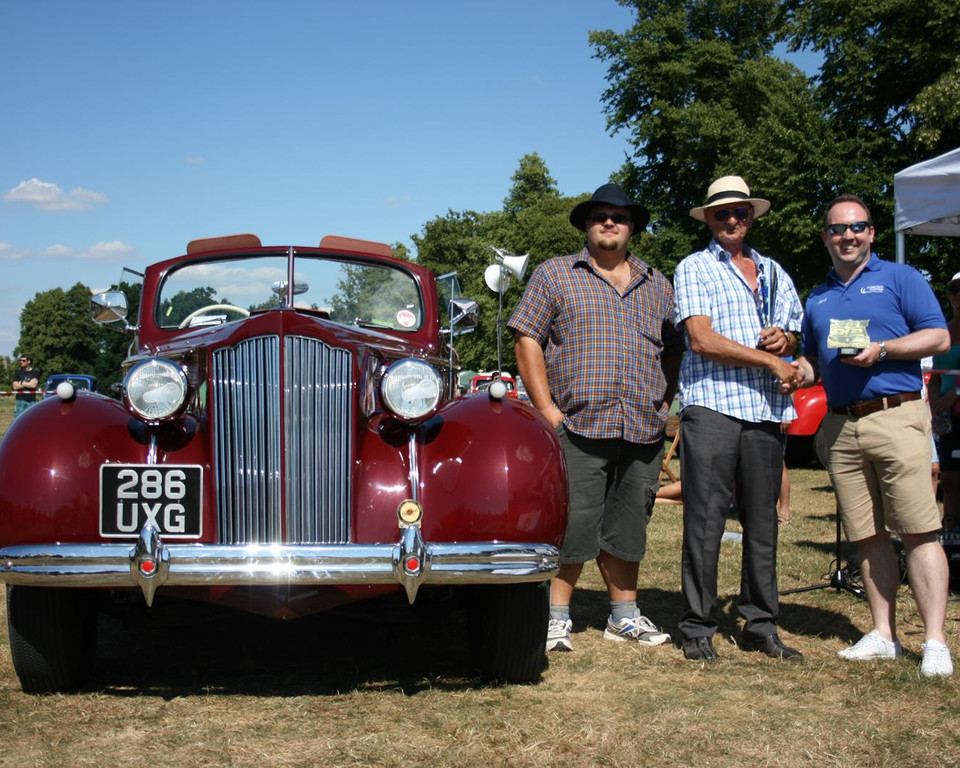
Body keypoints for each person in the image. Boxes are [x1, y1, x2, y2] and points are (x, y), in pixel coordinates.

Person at [509, 183, 684, 652]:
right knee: (573, 522)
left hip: (642, 427)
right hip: (578, 426)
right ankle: (555, 617)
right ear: (587, 225)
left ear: (633, 229)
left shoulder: (659, 285)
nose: (610, 222)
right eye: (600, 216)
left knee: (630, 525)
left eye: (620, 217)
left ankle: (624, 617)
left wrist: (663, 401)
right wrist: (547, 410)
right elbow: (526, 338)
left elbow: (675, 349)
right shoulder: (555, 274)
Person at [796, 195, 953, 677]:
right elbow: (811, 362)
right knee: (868, 536)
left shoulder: (901, 278)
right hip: (842, 425)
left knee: (920, 531)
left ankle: (934, 642)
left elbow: (939, 337)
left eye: (857, 227)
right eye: (838, 229)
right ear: (826, 236)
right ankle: (884, 634)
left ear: (871, 233)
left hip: (896, 416)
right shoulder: (817, 296)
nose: (848, 236)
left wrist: (882, 349)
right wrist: (786, 368)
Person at [673, 175, 804, 662]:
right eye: (722, 213)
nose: (732, 220)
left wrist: (784, 344)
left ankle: (760, 623)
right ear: (708, 218)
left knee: (761, 521)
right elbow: (701, 339)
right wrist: (770, 360)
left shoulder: (773, 272)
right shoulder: (695, 268)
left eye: (740, 212)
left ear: (752, 216)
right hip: (712, 406)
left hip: (765, 410)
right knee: (704, 520)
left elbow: (793, 335)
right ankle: (698, 626)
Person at [929, 273, 960, 532]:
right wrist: (936, 400)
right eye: (954, 289)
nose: (958, 294)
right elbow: (935, 373)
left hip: (956, 403)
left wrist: (956, 394)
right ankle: (950, 522)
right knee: (949, 476)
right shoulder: (944, 331)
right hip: (949, 415)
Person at [12, 354, 40, 418]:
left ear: (28, 361)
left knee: (32, 419)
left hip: (31, 401)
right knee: (18, 420)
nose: (21, 362)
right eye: (20, 360)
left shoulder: (35, 372)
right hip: (20, 400)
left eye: (23, 360)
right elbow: (15, 386)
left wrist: (21, 383)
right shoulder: (18, 372)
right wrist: (28, 384)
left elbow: (33, 385)